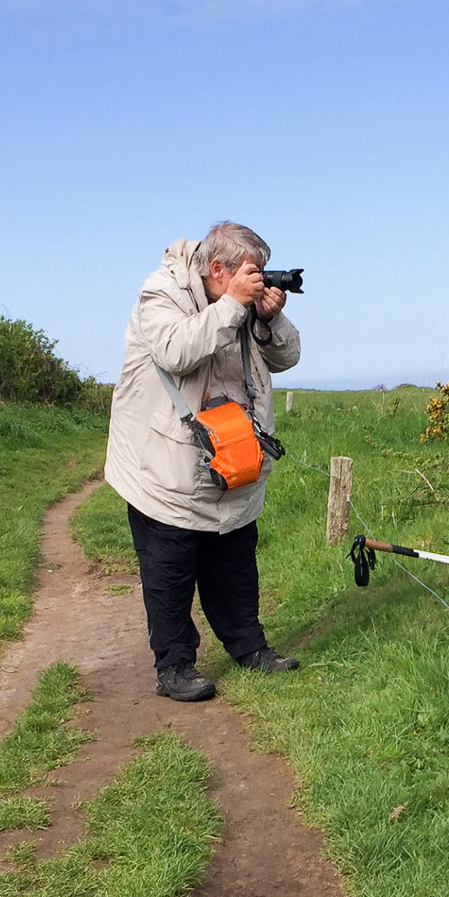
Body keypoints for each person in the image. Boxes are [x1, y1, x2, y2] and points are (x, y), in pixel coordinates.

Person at [104, 222, 302, 702]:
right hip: (164, 463)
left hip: (233, 456)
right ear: (218, 269)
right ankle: (173, 667)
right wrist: (235, 305)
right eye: (250, 274)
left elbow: (289, 357)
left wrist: (268, 319)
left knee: (235, 559)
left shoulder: (238, 299)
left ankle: (250, 648)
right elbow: (174, 351)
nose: (257, 282)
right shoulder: (161, 291)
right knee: (169, 568)